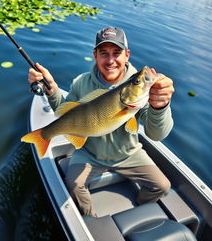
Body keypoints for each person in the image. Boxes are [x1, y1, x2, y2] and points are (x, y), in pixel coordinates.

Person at [28, 26, 175, 217]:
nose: (111, 60)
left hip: (128, 154)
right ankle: (91, 220)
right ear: (95, 55)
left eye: (117, 53)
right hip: (90, 153)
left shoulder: (143, 92)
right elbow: (65, 112)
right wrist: (52, 90)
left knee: (163, 186)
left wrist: (159, 107)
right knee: (73, 186)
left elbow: (156, 135)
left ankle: (140, 207)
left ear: (127, 55)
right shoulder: (81, 82)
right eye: (104, 53)